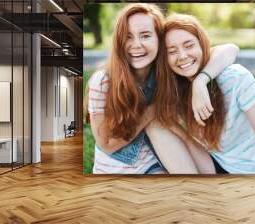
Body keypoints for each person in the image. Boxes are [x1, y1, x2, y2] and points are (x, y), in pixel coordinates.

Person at [86, 4, 239, 174]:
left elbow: (230, 49)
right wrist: (151, 112)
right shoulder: (103, 81)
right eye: (128, 37)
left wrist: (200, 81)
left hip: (155, 161)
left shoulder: (167, 70)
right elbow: (106, 145)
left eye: (145, 36)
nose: (136, 44)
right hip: (115, 167)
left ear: (159, 39)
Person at [158, 14, 255, 174]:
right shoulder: (177, 87)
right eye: (172, 51)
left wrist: (200, 82)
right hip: (217, 165)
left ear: (202, 45)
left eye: (189, 45)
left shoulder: (235, 78)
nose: (182, 56)